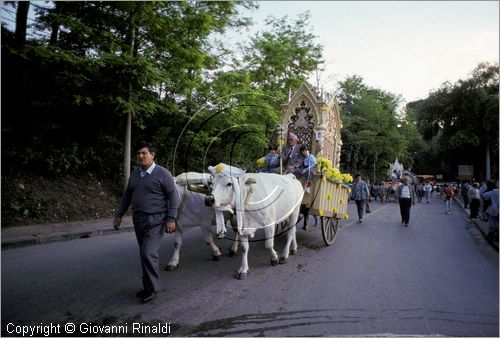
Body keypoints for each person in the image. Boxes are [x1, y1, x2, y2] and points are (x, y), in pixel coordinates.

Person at [113, 142, 179, 303]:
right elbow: (127, 196)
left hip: (156, 219)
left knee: (148, 252)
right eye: (138, 153)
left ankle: (152, 288)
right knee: (144, 253)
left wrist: (171, 218)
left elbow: (173, 197)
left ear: (152, 155)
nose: (140, 156)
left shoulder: (163, 174)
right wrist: (119, 214)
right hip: (138, 219)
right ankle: (147, 286)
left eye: (144, 153)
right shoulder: (135, 174)